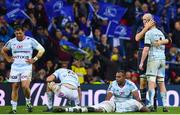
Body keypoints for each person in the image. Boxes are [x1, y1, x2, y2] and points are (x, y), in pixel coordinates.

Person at [53, 70, 149, 113]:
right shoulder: (113, 84)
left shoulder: (130, 84)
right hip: (113, 103)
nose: (117, 79)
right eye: (116, 77)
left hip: (125, 103)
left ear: (124, 77)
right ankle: (66, 109)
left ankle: (69, 110)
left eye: (119, 77)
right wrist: (106, 103)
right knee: (96, 107)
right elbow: (108, 97)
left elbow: (137, 98)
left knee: (137, 104)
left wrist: (141, 104)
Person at [1, 25, 45, 114]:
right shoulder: (12, 42)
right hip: (15, 67)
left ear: (23, 32)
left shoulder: (30, 41)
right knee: (15, 87)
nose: (18, 35)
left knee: (25, 86)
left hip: (26, 67)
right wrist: (8, 59)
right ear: (14, 33)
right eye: (16, 33)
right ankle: (14, 109)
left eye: (20, 33)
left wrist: (34, 59)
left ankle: (28, 103)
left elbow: (42, 50)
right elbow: (3, 50)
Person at [135, 13, 171, 110]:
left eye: (146, 19)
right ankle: (143, 103)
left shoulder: (159, 28)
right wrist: (145, 28)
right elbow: (137, 38)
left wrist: (160, 42)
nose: (144, 21)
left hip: (151, 56)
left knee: (152, 81)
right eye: (143, 20)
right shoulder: (141, 28)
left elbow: (169, 39)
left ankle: (153, 103)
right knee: (143, 80)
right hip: (147, 54)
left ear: (151, 20)